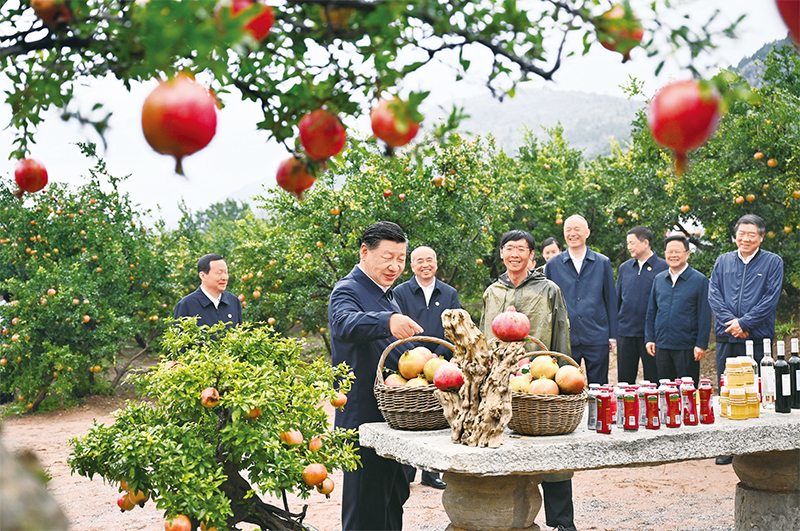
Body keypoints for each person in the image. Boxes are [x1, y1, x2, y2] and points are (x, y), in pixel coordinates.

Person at [328, 221, 423, 531]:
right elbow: (346, 324)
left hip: (390, 414)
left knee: (393, 496)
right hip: (361, 416)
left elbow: (392, 352)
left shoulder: (388, 295)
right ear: (365, 252)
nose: (395, 265)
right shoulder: (347, 290)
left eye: (400, 258)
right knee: (365, 506)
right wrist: (388, 320)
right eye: (387, 257)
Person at [481, 230, 575, 531]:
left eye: (521, 249)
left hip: (540, 381)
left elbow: (561, 333)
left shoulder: (549, 290)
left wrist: (562, 375)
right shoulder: (492, 292)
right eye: (509, 248)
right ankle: (506, 520)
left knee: (552, 452)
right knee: (502, 449)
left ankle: (562, 522)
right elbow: (483, 339)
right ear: (501, 253)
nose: (515, 254)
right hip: (500, 382)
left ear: (532, 256)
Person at [394, 245, 461, 490]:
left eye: (429, 260)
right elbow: (398, 330)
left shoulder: (448, 292)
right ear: (412, 266)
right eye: (419, 261)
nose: (425, 265)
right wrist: (418, 356)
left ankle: (431, 472)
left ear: (436, 263)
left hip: (440, 362)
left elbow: (455, 328)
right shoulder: (400, 293)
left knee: (436, 414)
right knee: (411, 413)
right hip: (409, 362)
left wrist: (438, 354)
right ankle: (407, 468)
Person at [545, 215, 618, 386]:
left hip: (596, 333)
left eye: (577, 229)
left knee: (599, 386)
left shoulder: (602, 262)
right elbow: (547, 304)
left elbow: (610, 300)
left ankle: (598, 414)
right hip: (565, 337)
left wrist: (612, 336)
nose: (572, 233)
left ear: (587, 232)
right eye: (568, 230)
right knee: (565, 385)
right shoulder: (553, 264)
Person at [644, 235, 712, 385]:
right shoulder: (659, 279)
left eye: (678, 251)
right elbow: (651, 311)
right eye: (670, 251)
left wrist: (701, 344)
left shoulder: (699, 281)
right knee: (664, 390)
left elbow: (704, 315)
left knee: (686, 391)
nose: (673, 255)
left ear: (687, 254)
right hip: (661, 345)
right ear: (664, 254)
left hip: (686, 346)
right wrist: (650, 338)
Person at [616, 226, 668, 384]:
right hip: (626, 333)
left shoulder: (663, 267)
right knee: (625, 381)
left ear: (645, 243)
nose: (629, 247)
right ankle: (624, 409)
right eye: (627, 243)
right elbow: (618, 300)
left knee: (654, 380)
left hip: (651, 336)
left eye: (632, 243)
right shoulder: (625, 268)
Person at [173, 253, 242, 329]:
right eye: (219, 273)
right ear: (202, 276)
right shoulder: (186, 305)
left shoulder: (233, 301)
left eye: (226, 272)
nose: (224, 277)